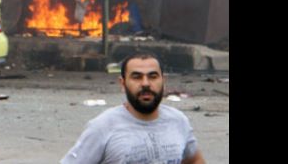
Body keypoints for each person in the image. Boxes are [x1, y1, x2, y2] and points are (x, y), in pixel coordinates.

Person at [60, 52, 206, 164]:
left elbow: (194, 160)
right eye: (137, 77)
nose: (146, 84)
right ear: (122, 84)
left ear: (163, 81)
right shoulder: (102, 126)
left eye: (153, 76)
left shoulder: (178, 121)